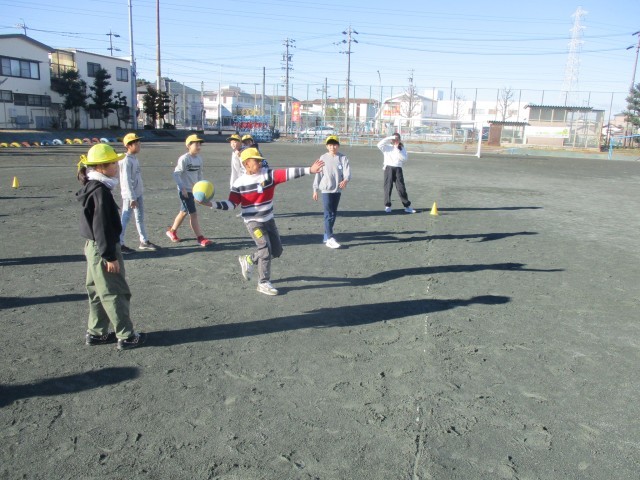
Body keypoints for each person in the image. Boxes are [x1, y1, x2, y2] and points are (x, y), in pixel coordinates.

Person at [210, 147, 323, 296]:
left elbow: (287, 173)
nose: (260, 163)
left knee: (276, 251)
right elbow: (231, 204)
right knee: (265, 250)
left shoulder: (268, 175)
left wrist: (310, 170)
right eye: (256, 161)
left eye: (260, 160)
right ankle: (263, 282)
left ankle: (249, 260)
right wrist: (210, 204)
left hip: (269, 220)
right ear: (246, 164)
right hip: (253, 222)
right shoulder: (239, 184)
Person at [75, 144, 146, 350]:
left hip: (93, 246)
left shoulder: (92, 186)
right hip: (103, 247)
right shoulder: (101, 192)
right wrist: (109, 256)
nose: (117, 165)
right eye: (113, 163)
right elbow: (103, 227)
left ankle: (97, 332)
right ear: (101, 167)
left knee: (97, 291)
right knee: (115, 291)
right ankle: (126, 335)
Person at [166, 134, 214, 247]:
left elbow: (199, 174)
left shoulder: (199, 159)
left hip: (194, 191)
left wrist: (201, 188)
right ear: (188, 145)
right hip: (185, 191)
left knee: (183, 212)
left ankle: (172, 231)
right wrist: (182, 188)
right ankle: (200, 238)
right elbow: (176, 174)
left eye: (199, 144)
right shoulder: (184, 159)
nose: (198, 146)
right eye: (196, 144)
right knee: (193, 213)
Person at [118, 133, 159, 253]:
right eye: (135, 143)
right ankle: (119, 243)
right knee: (125, 218)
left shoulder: (134, 158)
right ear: (128, 146)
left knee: (140, 217)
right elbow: (126, 181)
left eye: (138, 142)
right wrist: (132, 197)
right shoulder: (126, 160)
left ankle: (144, 241)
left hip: (137, 193)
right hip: (130, 195)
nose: (138, 145)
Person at [312, 135, 351, 249]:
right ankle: (330, 238)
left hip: (337, 189)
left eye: (334, 145)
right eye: (330, 145)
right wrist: (315, 189)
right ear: (326, 146)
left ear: (338, 146)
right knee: (328, 213)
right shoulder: (323, 158)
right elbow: (318, 174)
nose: (332, 147)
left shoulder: (343, 158)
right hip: (326, 189)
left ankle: (326, 234)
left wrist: (345, 180)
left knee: (333, 213)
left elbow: (347, 172)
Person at [377, 132, 416, 213]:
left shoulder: (401, 148)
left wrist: (398, 149)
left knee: (401, 188)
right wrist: (390, 137)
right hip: (388, 168)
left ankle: (407, 206)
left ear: (400, 140)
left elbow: (404, 159)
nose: (396, 140)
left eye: (397, 139)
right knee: (388, 187)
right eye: (394, 139)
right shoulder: (387, 147)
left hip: (398, 169)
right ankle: (387, 206)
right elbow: (379, 144)